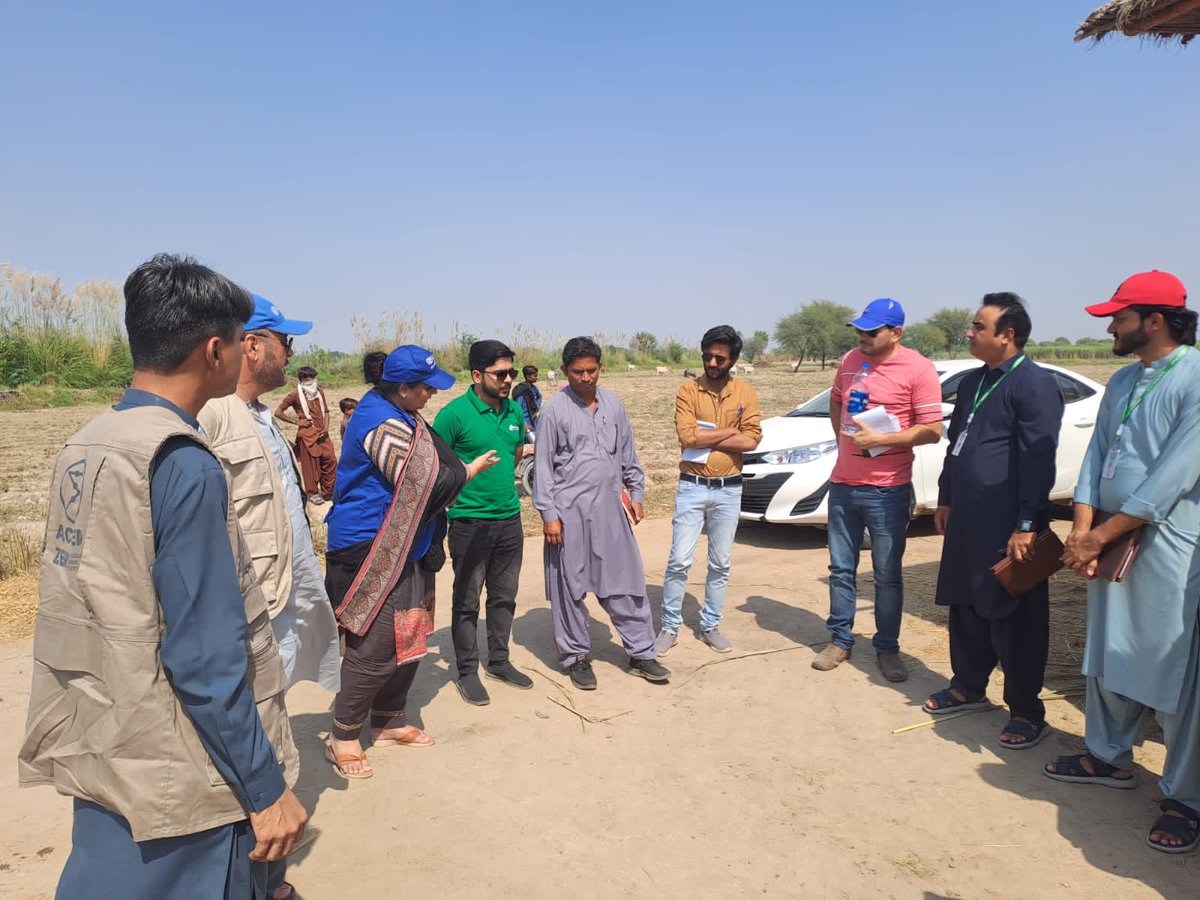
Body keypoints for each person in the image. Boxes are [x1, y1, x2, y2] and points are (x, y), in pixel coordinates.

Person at [19, 253, 305, 898]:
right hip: (180, 766)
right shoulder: (183, 462)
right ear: (215, 349)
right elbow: (205, 654)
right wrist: (263, 787)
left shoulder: (92, 438)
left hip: (104, 735)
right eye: (239, 339)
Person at [1048, 270, 1200, 855]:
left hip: (1169, 545)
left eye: (1118, 317)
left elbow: (1174, 477)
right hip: (1107, 542)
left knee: (1175, 668)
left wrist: (1102, 532)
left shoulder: (1193, 378)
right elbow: (1096, 457)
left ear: (1154, 321)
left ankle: (1185, 795)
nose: (1110, 327)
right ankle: (1107, 756)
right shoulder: (1123, 379)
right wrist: (1083, 529)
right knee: (1107, 648)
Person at [198, 293, 341, 900]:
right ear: (251, 345)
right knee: (249, 730)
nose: (292, 353)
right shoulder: (213, 417)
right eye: (286, 341)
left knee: (272, 717)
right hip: (249, 605)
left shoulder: (258, 416)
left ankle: (266, 870)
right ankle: (252, 868)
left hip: (280, 595)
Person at [323, 345, 499, 778]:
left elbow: (436, 476)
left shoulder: (404, 415)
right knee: (378, 644)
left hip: (411, 544)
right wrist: (465, 472)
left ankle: (387, 719)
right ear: (402, 389)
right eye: (425, 389)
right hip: (373, 545)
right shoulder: (379, 422)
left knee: (412, 634)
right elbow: (423, 481)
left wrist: (460, 472)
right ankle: (343, 734)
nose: (431, 396)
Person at [924, 294, 1064, 750]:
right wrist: (946, 496)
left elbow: (1038, 460)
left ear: (1008, 335)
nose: (969, 333)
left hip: (1009, 522)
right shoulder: (971, 383)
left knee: (1014, 615)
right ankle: (968, 685)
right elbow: (956, 447)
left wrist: (1027, 522)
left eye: (978, 327)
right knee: (967, 601)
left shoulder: (1034, 384)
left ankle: (1026, 710)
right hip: (967, 517)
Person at [812, 298, 943, 682]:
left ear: (896, 332)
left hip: (887, 489)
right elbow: (837, 402)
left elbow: (932, 430)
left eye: (872, 331)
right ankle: (839, 640)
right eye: (859, 330)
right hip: (844, 484)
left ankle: (887, 648)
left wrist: (884, 438)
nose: (863, 337)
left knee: (886, 574)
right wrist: (844, 443)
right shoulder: (850, 360)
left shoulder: (918, 369)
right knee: (840, 568)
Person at [533, 336, 670, 689]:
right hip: (568, 516)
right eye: (577, 372)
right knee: (569, 590)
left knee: (626, 583)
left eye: (592, 370)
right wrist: (548, 514)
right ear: (565, 371)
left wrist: (636, 490)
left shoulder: (614, 405)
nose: (586, 378)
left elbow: (628, 453)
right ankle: (576, 657)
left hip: (610, 513)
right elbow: (543, 468)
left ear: (600, 368)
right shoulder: (553, 411)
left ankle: (642, 652)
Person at [432, 340, 533, 705]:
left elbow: (517, 452)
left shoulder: (514, 413)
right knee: (467, 599)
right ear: (477, 375)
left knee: (504, 597)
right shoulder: (454, 415)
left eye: (512, 373)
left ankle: (499, 661)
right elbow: (435, 465)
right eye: (500, 373)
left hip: (509, 520)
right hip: (469, 523)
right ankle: (466, 671)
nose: (508, 380)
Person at [656, 325, 761, 655]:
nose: (712, 363)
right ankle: (669, 627)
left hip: (729, 490)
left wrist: (713, 434)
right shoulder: (688, 391)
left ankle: (710, 624)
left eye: (720, 358)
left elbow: (753, 439)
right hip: (692, 487)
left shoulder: (745, 393)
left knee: (720, 563)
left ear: (733, 360)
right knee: (679, 561)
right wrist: (730, 432)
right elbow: (687, 437)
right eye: (707, 356)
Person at [275, 366, 336, 505]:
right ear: (302, 379)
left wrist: (326, 427)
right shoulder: (295, 394)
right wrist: (297, 421)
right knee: (311, 466)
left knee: (330, 461)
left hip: (322, 434)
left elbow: (326, 411)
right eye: (309, 379)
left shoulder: (319, 392)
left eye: (314, 378)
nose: (312, 381)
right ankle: (312, 493)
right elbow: (278, 412)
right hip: (308, 436)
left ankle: (329, 492)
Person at [511, 364, 542, 436]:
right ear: (528, 377)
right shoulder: (521, 390)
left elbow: (539, 396)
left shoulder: (534, 388)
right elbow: (518, 408)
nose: (537, 377)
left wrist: (536, 409)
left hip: (532, 418)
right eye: (535, 376)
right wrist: (524, 423)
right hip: (524, 419)